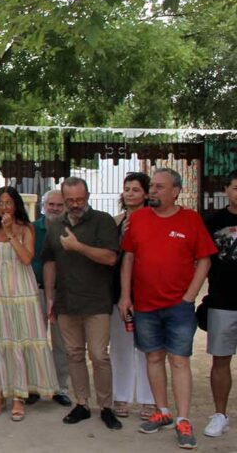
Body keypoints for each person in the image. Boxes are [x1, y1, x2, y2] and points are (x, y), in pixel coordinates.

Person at [120, 167, 216, 449]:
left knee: (179, 361)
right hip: (145, 305)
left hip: (178, 306)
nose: (153, 192)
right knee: (153, 358)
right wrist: (126, 296)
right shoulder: (138, 219)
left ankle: (183, 420)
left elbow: (205, 260)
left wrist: (190, 296)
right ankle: (162, 411)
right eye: (152, 187)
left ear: (175, 191)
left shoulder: (190, 220)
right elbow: (128, 259)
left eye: (159, 187)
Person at [41, 177, 122, 430]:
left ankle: (106, 407)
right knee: (73, 354)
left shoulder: (103, 221)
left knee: (99, 355)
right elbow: (50, 261)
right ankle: (82, 404)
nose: (75, 205)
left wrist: (77, 247)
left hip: (96, 301)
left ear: (88, 196)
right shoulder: (55, 225)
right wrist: (50, 298)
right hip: (66, 301)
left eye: (80, 199)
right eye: (70, 200)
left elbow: (110, 258)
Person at [0, 187, 58, 421]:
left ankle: (19, 396)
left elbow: (26, 258)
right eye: (0, 203)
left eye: (9, 202)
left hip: (21, 292)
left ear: (16, 205)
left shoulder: (27, 228)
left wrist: (10, 233)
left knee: (19, 341)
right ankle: (0, 392)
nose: (5, 207)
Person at [111, 172, 156, 420]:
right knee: (120, 345)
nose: (130, 193)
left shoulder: (154, 220)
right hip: (119, 291)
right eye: (127, 189)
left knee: (148, 346)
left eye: (135, 189)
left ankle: (149, 399)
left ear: (146, 194)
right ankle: (121, 395)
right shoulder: (116, 221)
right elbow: (111, 257)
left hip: (148, 290)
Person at [28, 189, 73, 407]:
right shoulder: (33, 229)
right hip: (36, 290)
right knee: (35, 340)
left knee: (62, 342)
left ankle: (59, 387)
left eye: (59, 205)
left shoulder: (71, 228)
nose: (54, 208)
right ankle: (34, 386)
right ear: (43, 206)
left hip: (62, 292)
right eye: (51, 204)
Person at [203, 169, 237, 438]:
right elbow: (201, 261)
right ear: (226, 190)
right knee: (220, 360)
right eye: (236, 187)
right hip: (222, 301)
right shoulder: (212, 221)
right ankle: (220, 415)